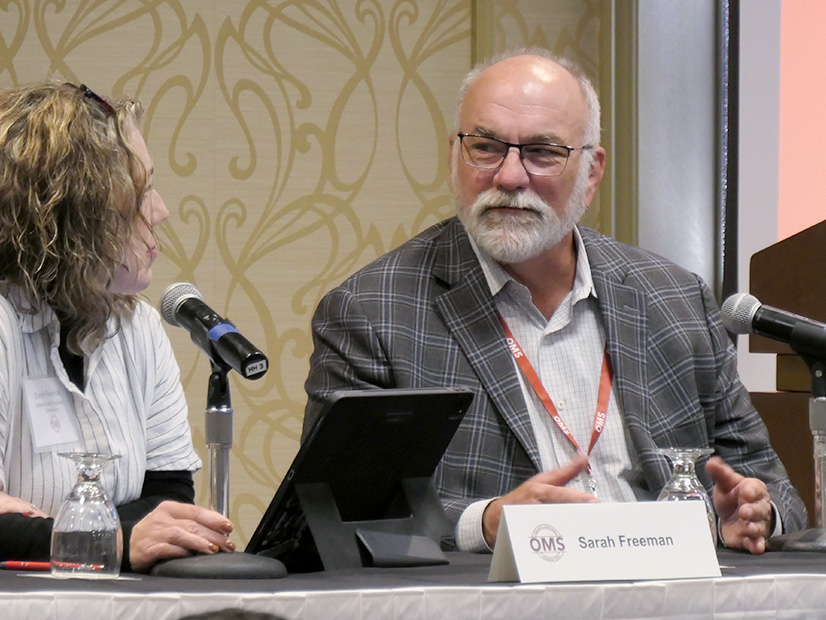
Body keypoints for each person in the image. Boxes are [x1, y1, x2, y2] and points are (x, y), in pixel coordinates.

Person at [303, 48, 808, 555]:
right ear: (455, 157)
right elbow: (336, 517)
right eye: (485, 147)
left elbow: (778, 494)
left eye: (542, 152)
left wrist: (750, 514)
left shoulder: (675, 298)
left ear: (591, 172)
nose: (509, 176)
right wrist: (487, 524)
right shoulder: (372, 311)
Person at [0, 82, 236, 572]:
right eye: (141, 190)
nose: (161, 210)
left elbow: (168, 499)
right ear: (76, 212)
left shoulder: (141, 325)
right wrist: (120, 537)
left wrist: (47, 530)